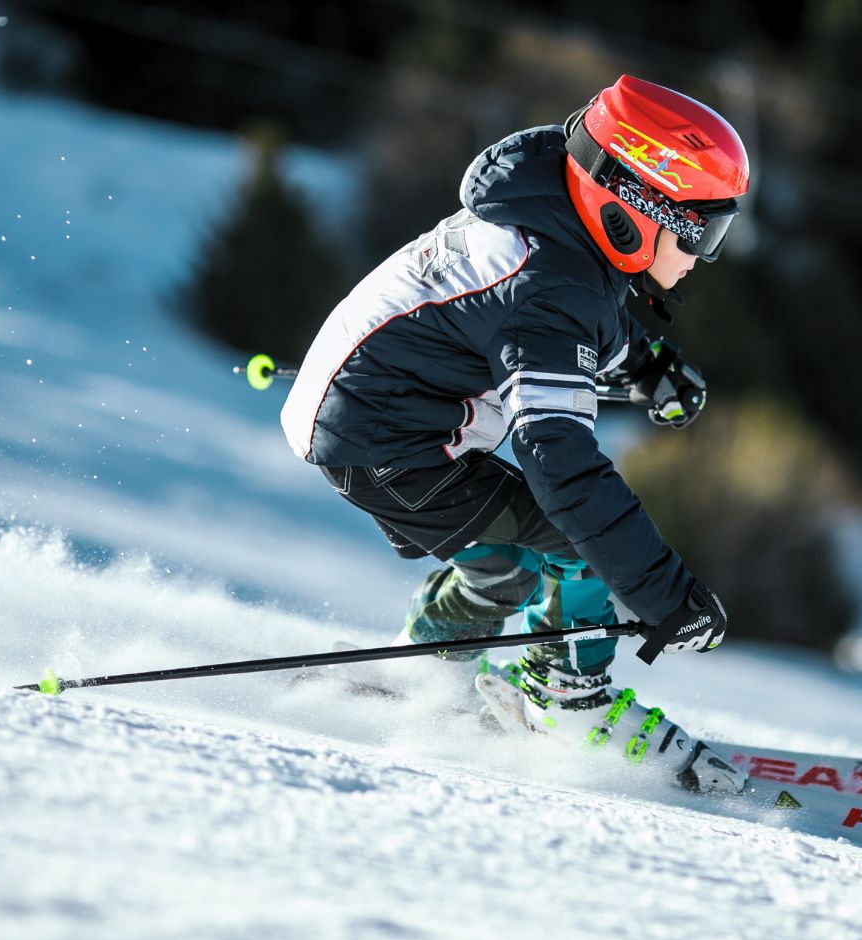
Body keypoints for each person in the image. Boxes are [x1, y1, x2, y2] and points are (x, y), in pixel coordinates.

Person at [281, 75, 749, 793]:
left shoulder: (551, 218)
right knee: (578, 545)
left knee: (509, 561)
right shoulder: (546, 289)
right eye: (700, 231)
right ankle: (567, 699)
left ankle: (426, 666)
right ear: (636, 208)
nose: (701, 256)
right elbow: (559, 465)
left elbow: (585, 312)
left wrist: (648, 365)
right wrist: (666, 598)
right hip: (389, 445)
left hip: (373, 420)